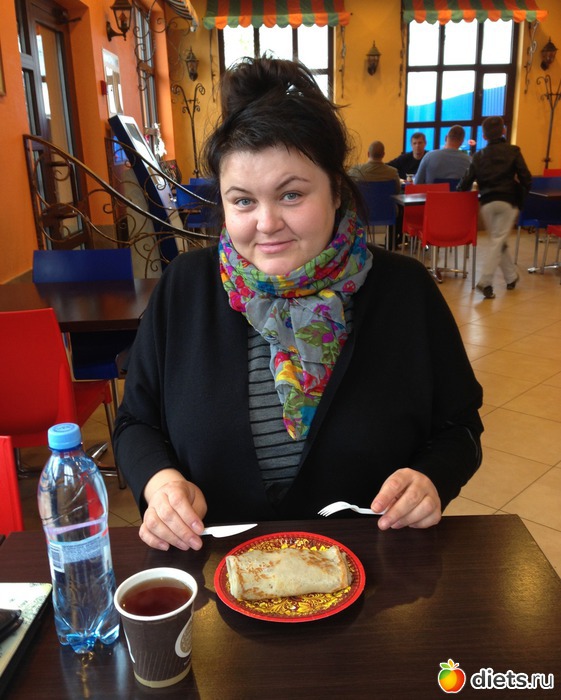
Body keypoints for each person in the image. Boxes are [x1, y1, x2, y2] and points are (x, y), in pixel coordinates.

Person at [113, 57, 484, 553]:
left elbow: (460, 427)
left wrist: (432, 478)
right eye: (243, 201)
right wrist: (159, 483)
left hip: (372, 571)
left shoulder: (405, 290)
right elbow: (135, 422)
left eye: (291, 195)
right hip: (218, 572)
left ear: (336, 191)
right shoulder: (185, 288)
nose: (266, 223)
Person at [458, 116, 531, 299]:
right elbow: (526, 178)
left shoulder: (478, 156)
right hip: (508, 202)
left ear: (483, 136)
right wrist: (521, 193)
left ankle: (511, 277)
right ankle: (485, 281)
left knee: (498, 241)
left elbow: (465, 183)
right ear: (504, 131)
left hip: (487, 204)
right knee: (498, 240)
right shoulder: (513, 151)